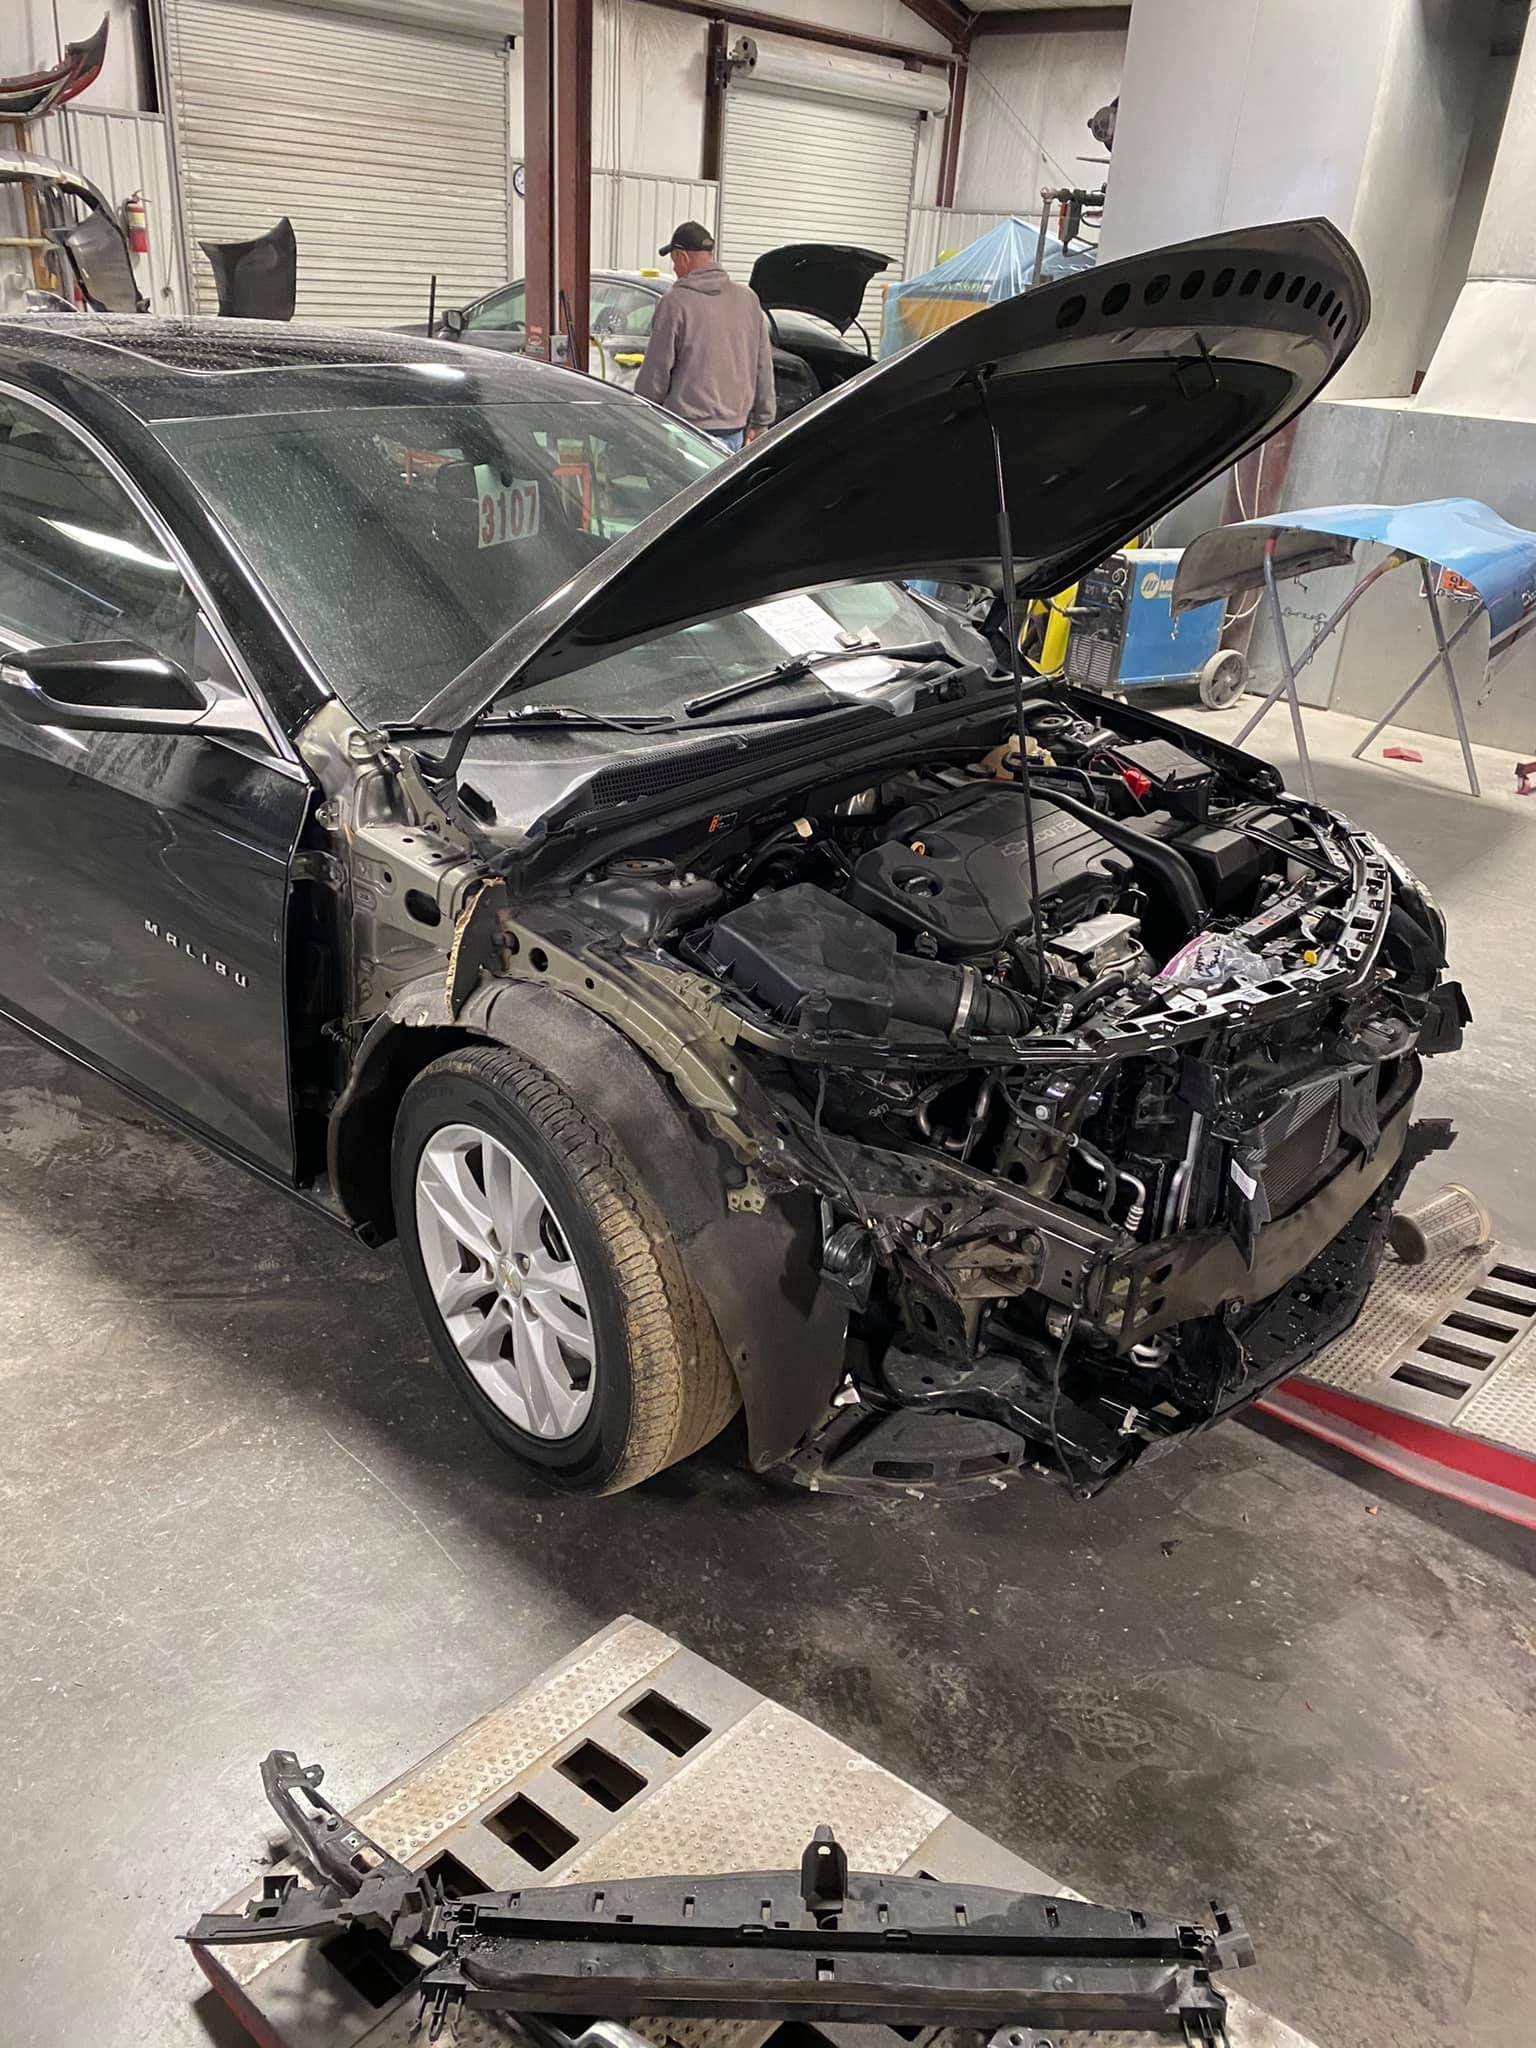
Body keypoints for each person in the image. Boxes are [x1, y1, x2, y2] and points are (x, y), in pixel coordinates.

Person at [634, 221, 775, 451]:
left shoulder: (676, 302)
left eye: (674, 262)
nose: (674, 270)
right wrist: (762, 420)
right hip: (735, 434)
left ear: (683, 258)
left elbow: (657, 370)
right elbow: (762, 366)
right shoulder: (748, 300)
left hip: (685, 435)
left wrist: (641, 414)